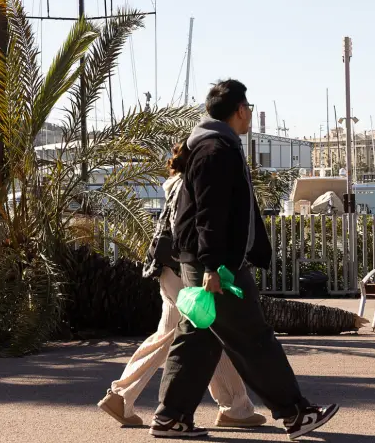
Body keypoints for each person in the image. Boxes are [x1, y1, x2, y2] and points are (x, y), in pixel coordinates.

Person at [151, 80, 338, 440]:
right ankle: (296, 413)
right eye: (248, 107)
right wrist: (212, 267)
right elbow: (210, 213)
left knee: (200, 338)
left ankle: (170, 417)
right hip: (217, 263)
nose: (249, 114)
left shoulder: (212, 145)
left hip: (209, 259)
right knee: (253, 338)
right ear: (240, 110)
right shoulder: (216, 149)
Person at [98, 142, 265, 429]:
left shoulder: (177, 183)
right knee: (187, 332)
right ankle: (122, 394)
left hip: (170, 268)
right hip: (184, 269)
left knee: (203, 330)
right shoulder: (191, 184)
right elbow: (195, 228)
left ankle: (235, 406)